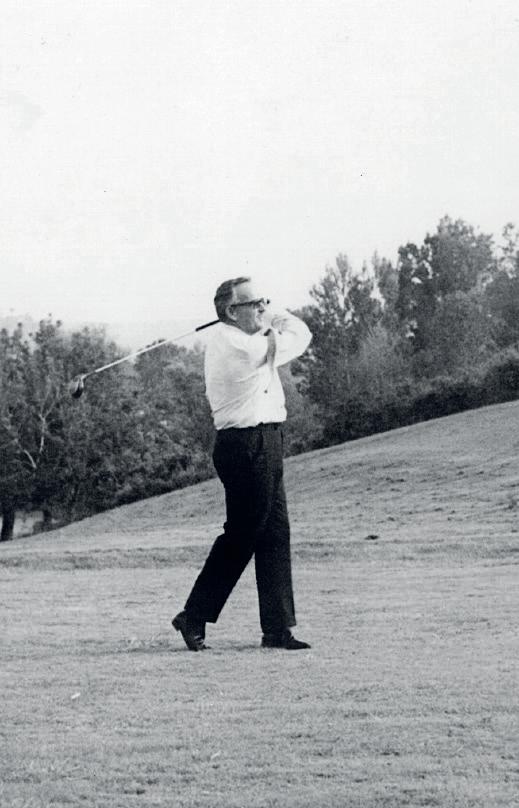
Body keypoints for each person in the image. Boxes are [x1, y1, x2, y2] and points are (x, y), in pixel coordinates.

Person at [172, 276, 312, 651]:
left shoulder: (240, 333)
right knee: (243, 533)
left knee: (275, 532)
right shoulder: (238, 345)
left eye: (264, 301)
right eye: (255, 303)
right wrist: (274, 313)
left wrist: (263, 309)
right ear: (232, 312)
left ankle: (277, 628)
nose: (262, 308)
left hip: (267, 438)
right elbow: (300, 335)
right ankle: (194, 614)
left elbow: (285, 332)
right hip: (244, 444)